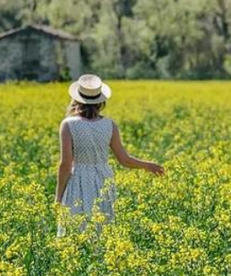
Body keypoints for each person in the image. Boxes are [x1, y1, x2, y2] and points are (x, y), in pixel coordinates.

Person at [55, 74, 165, 237]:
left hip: (79, 179)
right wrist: (148, 165)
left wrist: (58, 197)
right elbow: (124, 159)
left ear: (77, 99)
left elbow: (65, 164)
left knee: (77, 227)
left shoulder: (68, 124)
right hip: (104, 178)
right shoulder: (109, 124)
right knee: (103, 227)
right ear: (100, 100)